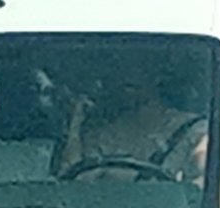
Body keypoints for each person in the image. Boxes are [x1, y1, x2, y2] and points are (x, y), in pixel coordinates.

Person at [57, 72, 208, 185]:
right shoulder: (101, 137)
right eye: (119, 73)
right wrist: (74, 127)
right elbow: (74, 186)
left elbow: (200, 187)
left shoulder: (195, 130)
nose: (127, 86)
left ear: (156, 80)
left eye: (138, 71)